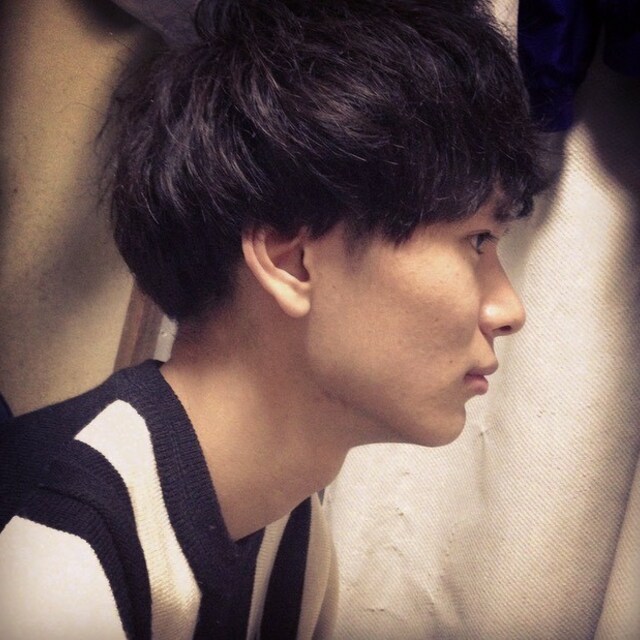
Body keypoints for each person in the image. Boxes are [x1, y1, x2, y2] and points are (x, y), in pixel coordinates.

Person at [0, 0, 544, 637]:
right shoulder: (53, 571)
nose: (509, 311)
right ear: (292, 263)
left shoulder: (286, 523)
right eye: (477, 240)